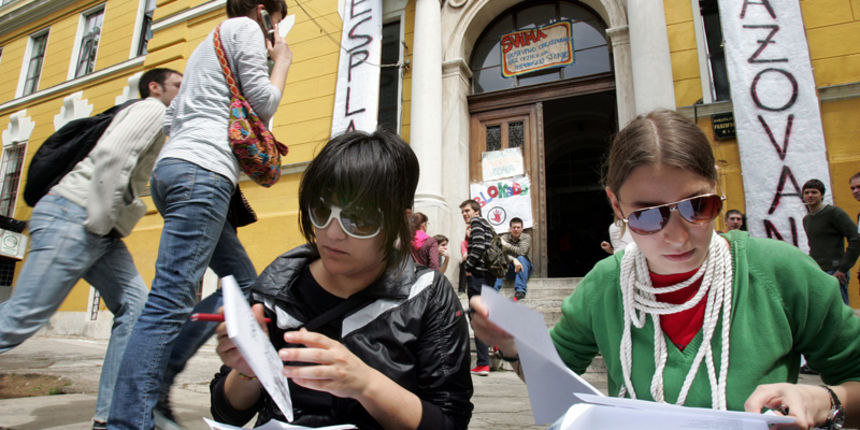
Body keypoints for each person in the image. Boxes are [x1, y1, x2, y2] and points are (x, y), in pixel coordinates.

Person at [470, 109, 860, 429]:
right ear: (616, 206)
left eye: (697, 206)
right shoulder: (605, 285)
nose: (677, 236)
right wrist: (512, 345)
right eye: (646, 215)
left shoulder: (780, 273)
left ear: (716, 185)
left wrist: (827, 399)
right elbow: (554, 380)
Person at [209, 130, 473, 429]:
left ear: (398, 221)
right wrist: (249, 371)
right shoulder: (277, 287)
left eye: (359, 219)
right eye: (321, 211)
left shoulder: (427, 295)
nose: (332, 233)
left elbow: (449, 421)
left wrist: (365, 384)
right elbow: (227, 413)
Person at [109, 1, 292, 428]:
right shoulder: (243, 29)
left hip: (178, 169)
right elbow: (263, 104)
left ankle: (154, 390)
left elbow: (172, 118)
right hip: (202, 172)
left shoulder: (204, 47)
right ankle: (131, 419)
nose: (275, 32)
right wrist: (280, 60)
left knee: (247, 286)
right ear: (265, 12)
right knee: (169, 300)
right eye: (276, 24)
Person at [0, 68, 182, 430]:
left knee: (137, 307)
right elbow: (113, 158)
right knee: (22, 318)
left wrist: (107, 225)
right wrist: (102, 221)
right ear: (155, 87)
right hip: (77, 215)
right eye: (177, 84)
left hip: (100, 227)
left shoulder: (160, 121)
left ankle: (110, 415)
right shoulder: (152, 109)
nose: (183, 90)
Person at [801, 178, 860, 306]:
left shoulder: (834, 213)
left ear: (821, 195)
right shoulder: (807, 220)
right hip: (818, 272)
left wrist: (843, 268)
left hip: (836, 272)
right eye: (807, 192)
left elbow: (855, 238)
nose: (810, 195)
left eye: (814, 192)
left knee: (841, 315)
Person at [459, 199, 497, 376]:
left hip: (478, 276)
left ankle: (483, 363)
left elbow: (479, 246)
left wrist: (468, 267)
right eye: (463, 212)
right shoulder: (488, 225)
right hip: (488, 276)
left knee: (477, 319)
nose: (465, 214)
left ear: (476, 211)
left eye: (467, 210)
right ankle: (496, 342)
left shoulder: (477, 222)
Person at [492, 217, 532, 301]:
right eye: (514, 227)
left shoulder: (526, 237)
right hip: (510, 269)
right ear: (510, 229)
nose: (516, 229)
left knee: (521, 258)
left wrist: (506, 245)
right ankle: (494, 291)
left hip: (524, 268)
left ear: (522, 229)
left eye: (518, 227)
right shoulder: (504, 237)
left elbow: (521, 251)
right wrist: (514, 260)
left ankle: (520, 290)